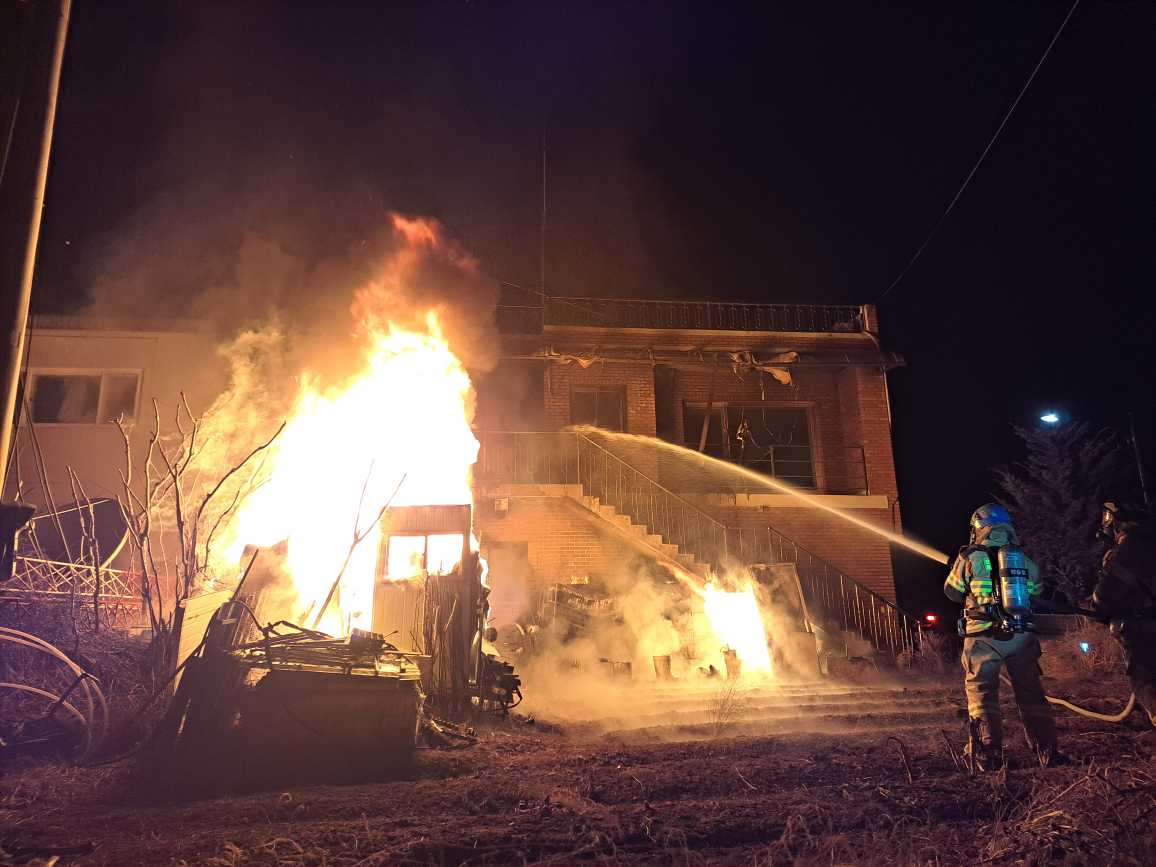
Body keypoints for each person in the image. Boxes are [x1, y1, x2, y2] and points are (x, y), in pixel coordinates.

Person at [943, 503, 1062, 769]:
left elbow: (952, 592)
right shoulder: (1022, 559)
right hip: (1021, 636)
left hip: (983, 636)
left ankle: (988, 752)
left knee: (983, 692)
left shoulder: (970, 557)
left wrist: (963, 569)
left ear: (977, 528)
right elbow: (1037, 591)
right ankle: (1047, 750)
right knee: (1031, 692)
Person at [1091, 501, 1156, 727]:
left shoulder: (1130, 548)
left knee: (1145, 680)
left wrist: (1100, 610)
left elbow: (1107, 593)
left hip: (1144, 626)